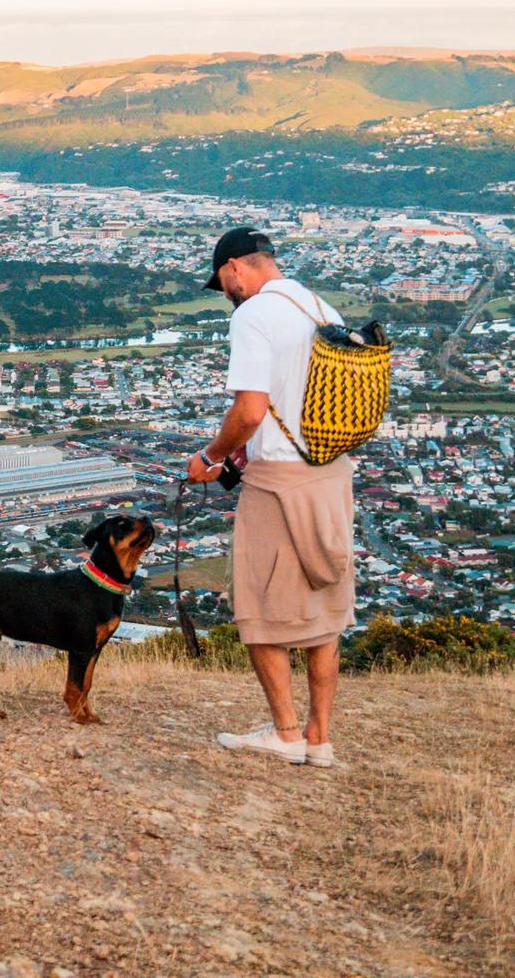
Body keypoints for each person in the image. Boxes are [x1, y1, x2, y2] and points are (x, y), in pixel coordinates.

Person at [185, 226, 355, 768]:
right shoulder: (317, 305)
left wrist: (213, 456)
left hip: (278, 481)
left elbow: (251, 410)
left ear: (236, 267)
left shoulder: (254, 315)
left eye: (223, 282)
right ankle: (319, 736)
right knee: (323, 609)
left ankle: (285, 732)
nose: (226, 292)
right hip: (331, 472)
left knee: (259, 609)